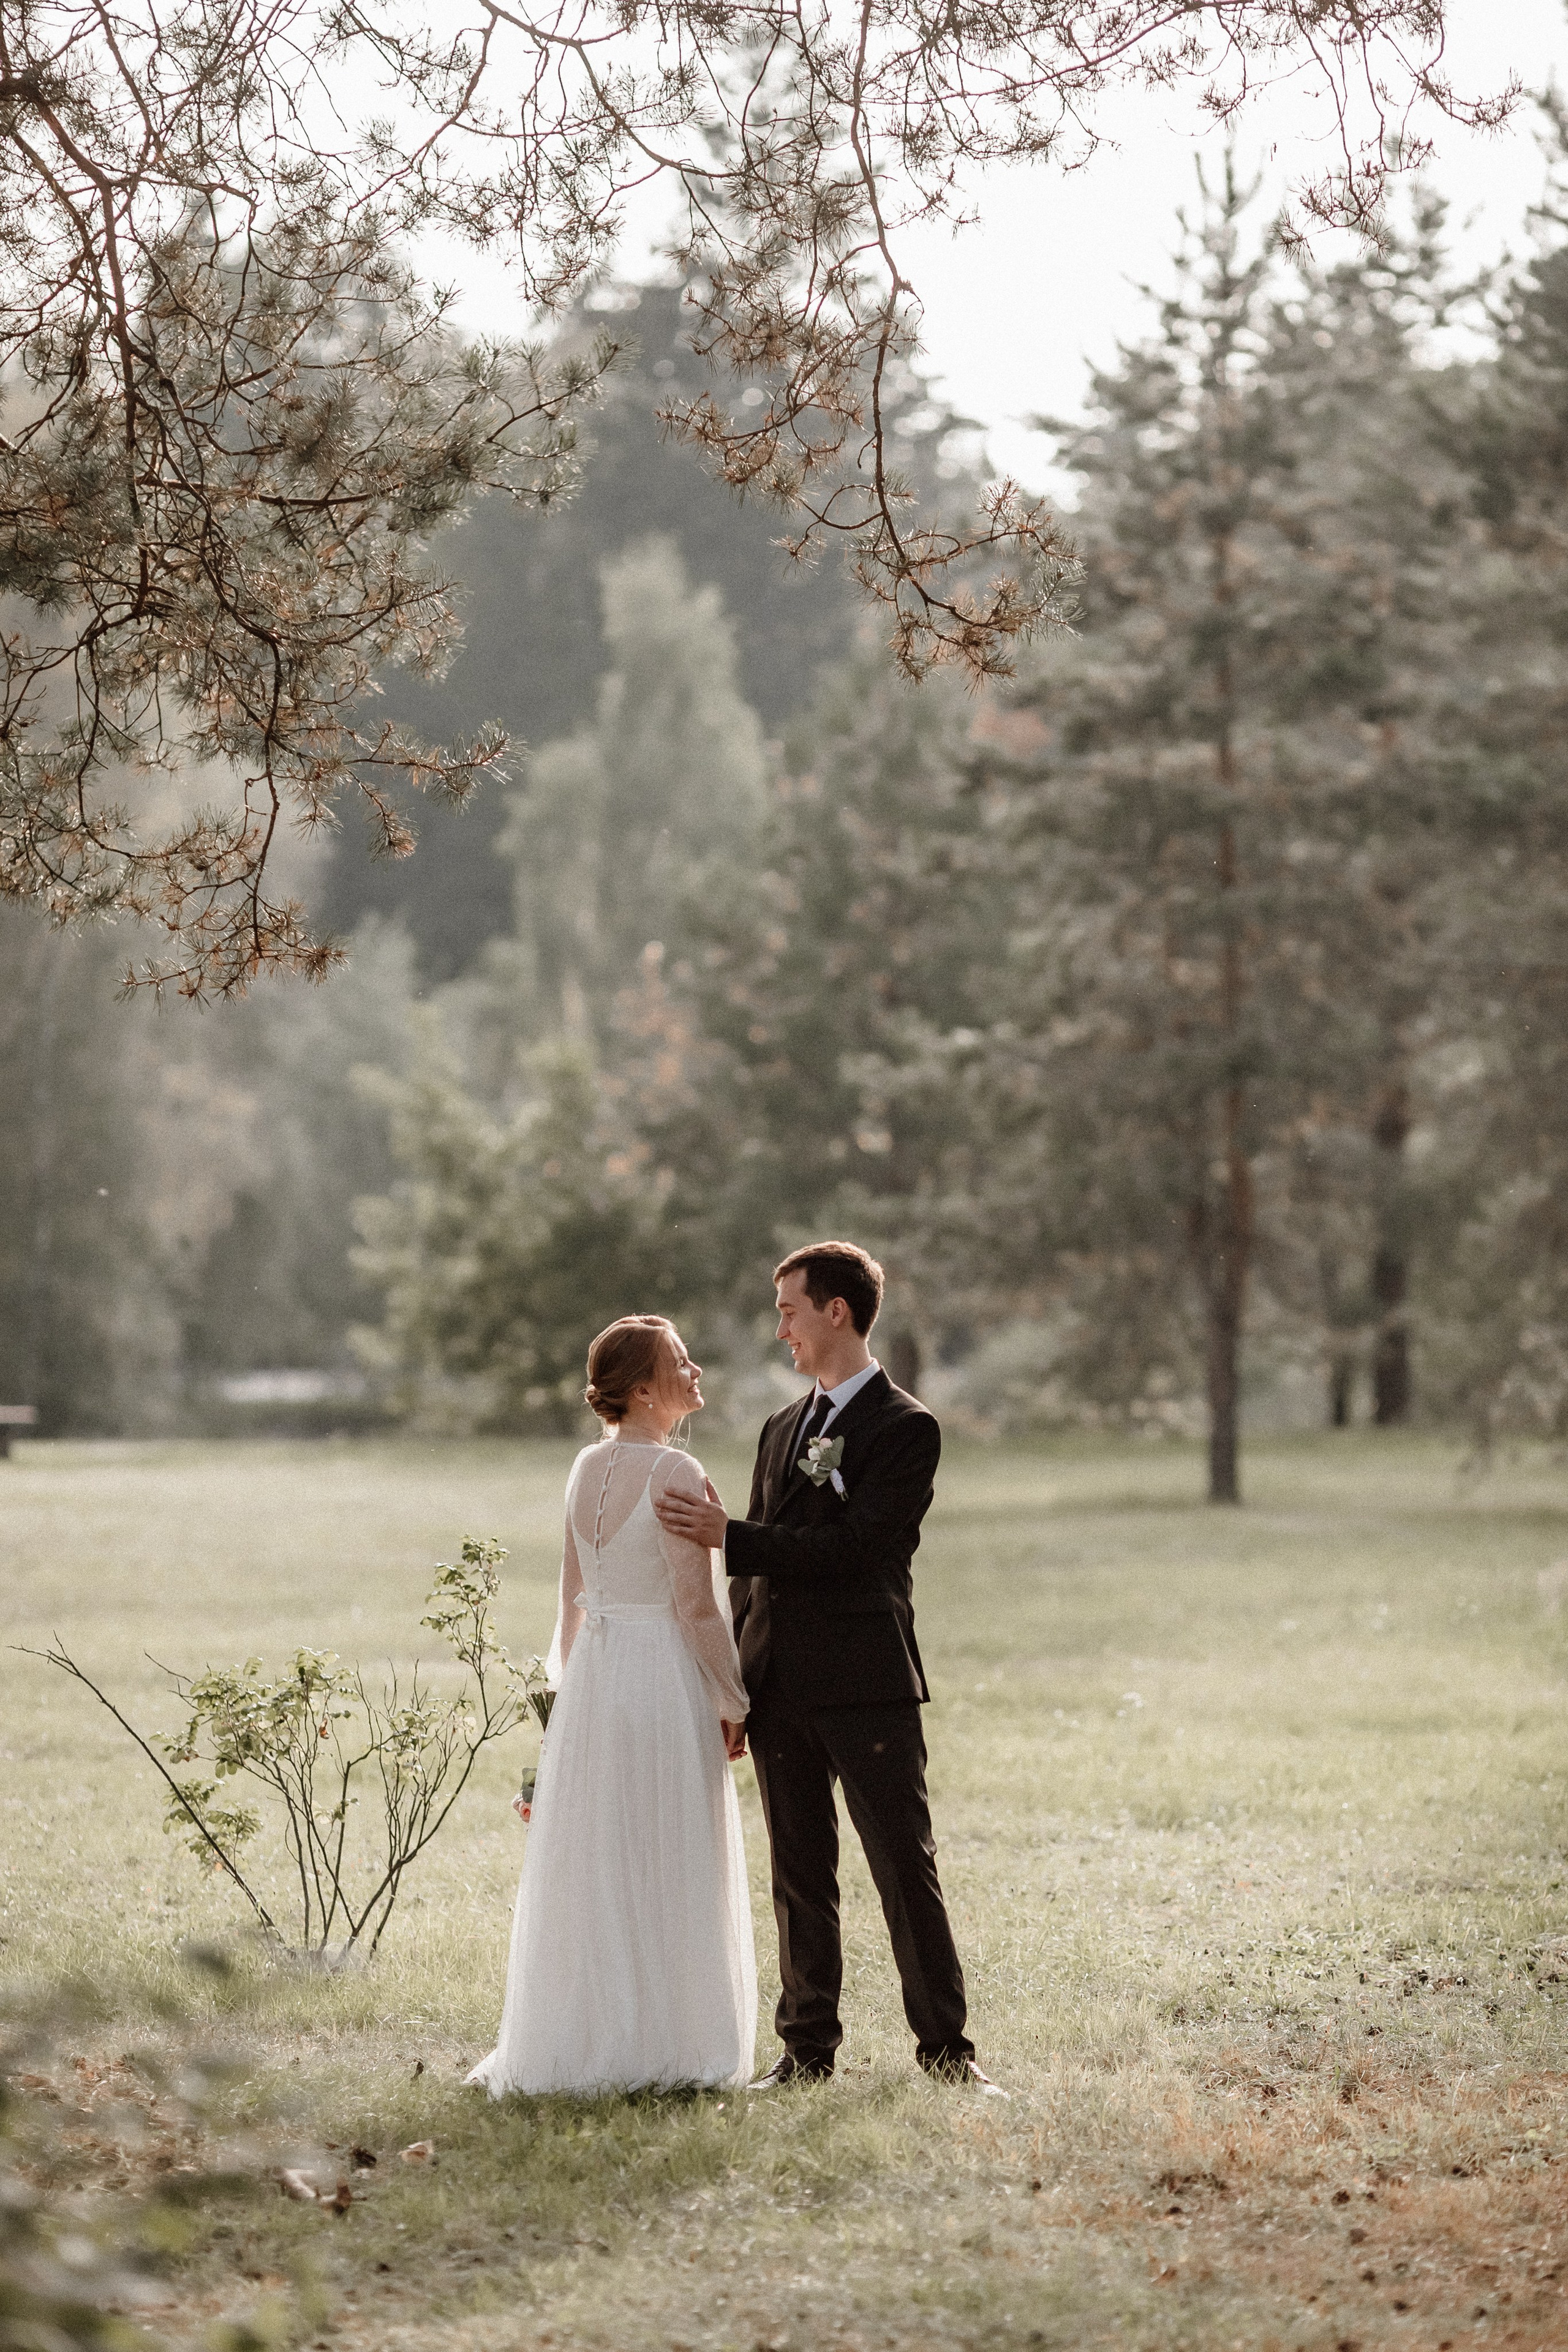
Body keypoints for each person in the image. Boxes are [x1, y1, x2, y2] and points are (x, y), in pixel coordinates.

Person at [655, 1242, 1003, 2094]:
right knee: (799, 1877)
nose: (782, 1330)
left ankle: (948, 2054)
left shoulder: (905, 1427)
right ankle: (806, 2054)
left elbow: (861, 1550)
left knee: (903, 1869)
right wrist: (735, 1685)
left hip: (864, 1683)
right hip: (777, 1686)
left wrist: (732, 1536)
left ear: (836, 1311)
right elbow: (749, 1581)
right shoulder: (781, 1427)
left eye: (789, 1312)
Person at [469, 1316, 756, 2097]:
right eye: (681, 1362)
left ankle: (585, 2038)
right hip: (660, 1676)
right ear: (643, 1391)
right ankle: (668, 2044)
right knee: (669, 1852)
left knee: (601, 1858)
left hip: (596, 1676)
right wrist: (733, 1697)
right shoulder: (675, 1473)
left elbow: (571, 1594)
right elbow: (695, 1608)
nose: (696, 1370)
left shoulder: (585, 1466)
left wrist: (563, 1696)